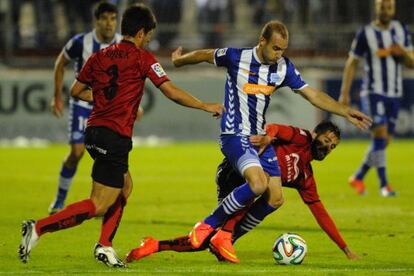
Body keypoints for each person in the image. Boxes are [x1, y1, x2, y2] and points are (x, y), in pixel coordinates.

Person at [18, 3, 224, 267]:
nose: (148, 40)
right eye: (148, 35)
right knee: (99, 204)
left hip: (94, 132)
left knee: (125, 186)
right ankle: (38, 228)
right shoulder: (143, 58)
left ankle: (105, 245)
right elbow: (171, 91)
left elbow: (76, 90)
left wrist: (103, 100)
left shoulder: (100, 57)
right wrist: (205, 105)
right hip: (113, 137)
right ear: (140, 33)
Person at [170, 20, 372, 262]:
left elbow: (313, 94)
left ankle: (225, 237)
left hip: (258, 139)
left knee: (276, 197)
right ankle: (207, 224)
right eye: (276, 48)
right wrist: (180, 61)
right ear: (262, 41)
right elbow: (205, 55)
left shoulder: (283, 68)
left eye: (283, 50)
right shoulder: (236, 57)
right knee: (257, 184)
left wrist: (344, 111)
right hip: (235, 134)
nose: (279, 54)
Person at [125, 121, 360, 263]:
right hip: (234, 172)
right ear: (315, 133)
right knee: (266, 181)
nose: (328, 146)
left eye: (333, 146)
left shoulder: (305, 176)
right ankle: (226, 234)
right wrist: (267, 135)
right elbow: (277, 128)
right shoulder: (301, 138)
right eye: (327, 139)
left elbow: (320, 213)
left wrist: (345, 249)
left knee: (203, 243)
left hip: (246, 189)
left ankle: (155, 245)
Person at [49, 1, 122, 215]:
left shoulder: (122, 45)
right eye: (105, 18)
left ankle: (103, 204)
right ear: (96, 21)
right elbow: (60, 63)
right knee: (77, 152)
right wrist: (56, 96)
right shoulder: (81, 43)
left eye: (113, 18)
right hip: (82, 103)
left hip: (108, 108)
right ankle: (59, 199)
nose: (109, 23)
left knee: (108, 156)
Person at [339, 0, 414, 197]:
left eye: (389, 7)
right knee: (380, 135)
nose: (386, 10)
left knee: (385, 141)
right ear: (376, 7)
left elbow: (411, 63)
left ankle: (358, 176)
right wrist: (344, 93)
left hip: (394, 93)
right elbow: (352, 62)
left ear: (394, 9)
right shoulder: (365, 33)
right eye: (383, 7)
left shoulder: (401, 30)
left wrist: (403, 53)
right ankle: (384, 185)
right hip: (373, 92)